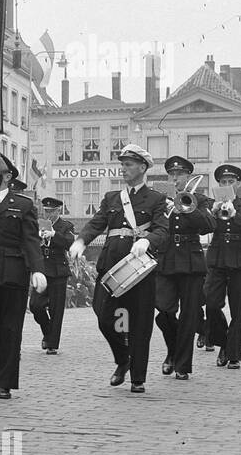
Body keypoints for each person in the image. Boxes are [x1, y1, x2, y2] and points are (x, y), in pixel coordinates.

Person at [69, 144, 171, 393]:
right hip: (111, 266)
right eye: (122, 164)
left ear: (143, 167)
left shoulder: (156, 199)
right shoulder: (112, 198)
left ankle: (138, 377)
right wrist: (81, 241)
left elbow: (162, 230)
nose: (123, 169)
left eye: (128, 164)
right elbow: (97, 223)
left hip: (139, 268)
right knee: (104, 317)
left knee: (140, 323)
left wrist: (148, 240)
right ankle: (123, 358)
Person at [0, 150, 47, 399]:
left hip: (13, 272)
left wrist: (38, 269)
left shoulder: (23, 204)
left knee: (10, 329)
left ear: (7, 177)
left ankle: (5, 381)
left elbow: (30, 240)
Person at [152, 156, 215, 380]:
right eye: (172, 174)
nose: (175, 178)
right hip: (166, 259)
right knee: (164, 311)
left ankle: (182, 365)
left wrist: (185, 206)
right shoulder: (159, 200)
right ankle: (172, 349)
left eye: (179, 174)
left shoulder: (200, 199)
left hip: (191, 260)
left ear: (188, 176)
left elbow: (209, 225)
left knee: (189, 315)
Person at [29, 197, 76, 354]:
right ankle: (48, 331)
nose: (48, 214)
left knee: (56, 310)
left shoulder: (65, 226)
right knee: (35, 305)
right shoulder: (38, 224)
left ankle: (52, 344)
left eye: (51, 211)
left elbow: (70, 243)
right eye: (46, 211)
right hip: (42, 269)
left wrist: (54, 234)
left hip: (58, 271)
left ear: (58, 211)